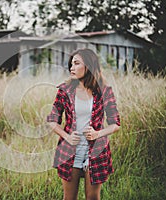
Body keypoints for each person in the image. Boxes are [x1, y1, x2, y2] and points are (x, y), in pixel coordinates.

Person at [47, 48, 120, 200]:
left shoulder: (105, 91)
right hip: (69, 151)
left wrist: (97, 134)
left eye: (76, 63)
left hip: (96, 152)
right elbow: (52, 120)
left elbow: (116, 124)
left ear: (88, 66)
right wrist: (66, 136)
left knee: (93, 197)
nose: (71, 68)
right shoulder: (64, 90)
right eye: (71, 64)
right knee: (69, 198)